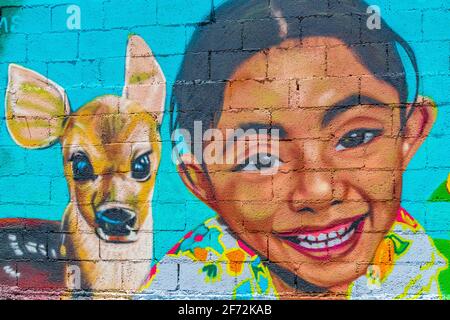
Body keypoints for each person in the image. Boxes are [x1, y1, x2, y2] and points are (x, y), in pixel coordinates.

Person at [138, 0, 450, 299]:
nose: (318, 191)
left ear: (409, 133)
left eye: (355, 137)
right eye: (260, 160)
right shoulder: (190, 284)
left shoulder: (411, 257)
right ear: (202, 182)